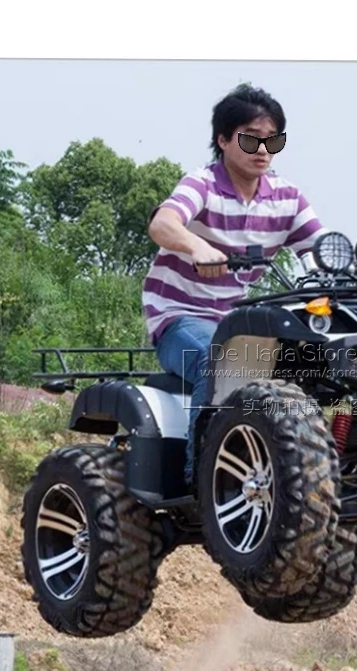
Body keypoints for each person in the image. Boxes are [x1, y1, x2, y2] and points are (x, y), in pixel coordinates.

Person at [143, 84, 327, 490]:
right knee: (221, 360)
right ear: (223, 140)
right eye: (250, 138)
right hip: (178, 317)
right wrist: (196, 246)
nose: (262, 150)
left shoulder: (287, 198)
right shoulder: (202, 185)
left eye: (272, 140)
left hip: (236, 321)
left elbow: (321, 251)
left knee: (314, 367)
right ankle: (202, 480)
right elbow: (162, 223)